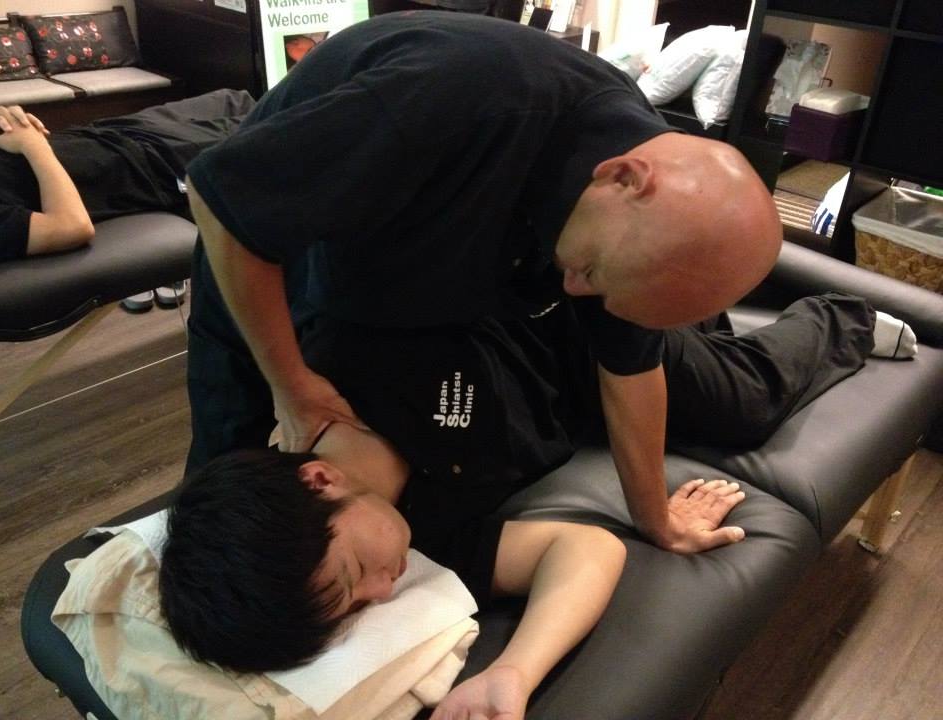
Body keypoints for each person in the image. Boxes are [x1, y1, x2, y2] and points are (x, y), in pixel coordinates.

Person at [183, 12, 783, 559]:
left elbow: (629, 368)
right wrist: (290, 385)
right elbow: (224, 201)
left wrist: (657, 522)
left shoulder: (638, 225)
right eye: (588, 272)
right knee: (226, 503)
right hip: (267, 268)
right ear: (622, 178)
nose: (575, 292)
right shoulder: (452, 95)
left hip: (407, 288)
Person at [160, 290, 916, 718]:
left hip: (592, 321)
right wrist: (514, 672)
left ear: (318, 483)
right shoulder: (421, 541)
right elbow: (584, 549)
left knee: (741, 403)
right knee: (703, 340)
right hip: (580, 402)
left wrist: (657, 513)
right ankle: (704, 315)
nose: (384, 591)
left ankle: (837, 317)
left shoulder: (346, 352)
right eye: (358, 605)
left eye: (356, 572)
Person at [0, 88, 255, 263]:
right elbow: (72, 227)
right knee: (264, 128)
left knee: (236, 99)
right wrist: (33, 145)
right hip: (149, 167)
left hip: (114, 131)